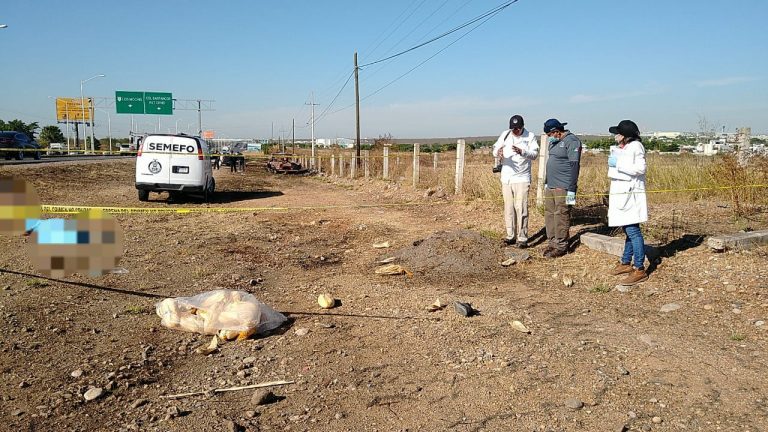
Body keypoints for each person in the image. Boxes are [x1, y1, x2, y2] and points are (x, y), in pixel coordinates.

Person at [607, 120, 649, 285]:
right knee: (628, 228)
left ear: (625, 135)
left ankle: (639, 268)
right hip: (622, 194)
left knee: (633, 231)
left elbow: (640, 168)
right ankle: (625, 262)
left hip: (631, 195)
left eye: (617, 133)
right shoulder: (623, 148)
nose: (615, 135)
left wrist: (618, 163)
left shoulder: (636, 147)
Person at [492, 115, 539, 248]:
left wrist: (522, 152)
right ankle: (510, 235)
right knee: (509, 207)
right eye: (513, 128)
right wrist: (498, 152)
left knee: (521, 207)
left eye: (517, 129)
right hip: (506, 177)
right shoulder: (505, 134)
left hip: (522, 178)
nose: (515, 131)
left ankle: (522, 238)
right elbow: (495, 149)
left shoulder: (530, 136)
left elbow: (534, 154)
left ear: (522, 126)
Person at [542, 118, 582, 258]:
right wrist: (547, 182)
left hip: (563, 186)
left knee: (561, 215)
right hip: (551, 186)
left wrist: (571, 188)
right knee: (549, 214)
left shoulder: (572, 141)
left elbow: (574, 165)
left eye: (549, 135)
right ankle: (552, 242)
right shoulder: (554, 143)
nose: (549, 138)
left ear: (556, 132)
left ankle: (561, 245)